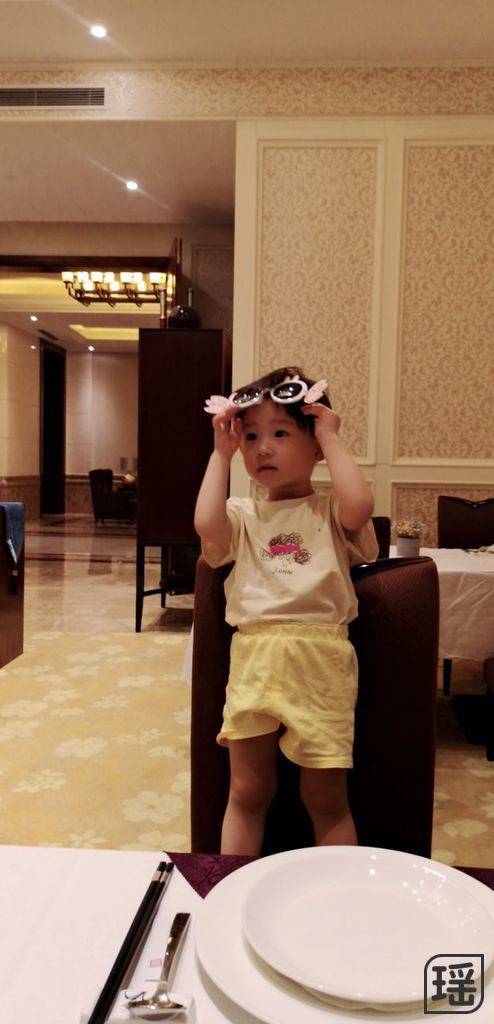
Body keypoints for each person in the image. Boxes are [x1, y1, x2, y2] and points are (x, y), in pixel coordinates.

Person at [194, 366, 378, 856]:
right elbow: (207, 525)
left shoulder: (330, 511)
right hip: (255, 658)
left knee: (326, 798)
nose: (262, 448)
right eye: (251, 436)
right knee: (247, 791)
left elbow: (360, 507)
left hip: (320, 661)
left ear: (314, 444)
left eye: (280, 433)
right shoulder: (244, 513)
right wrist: (220, 454)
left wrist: (330, 437)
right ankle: (231, 885)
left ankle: (335, 891)